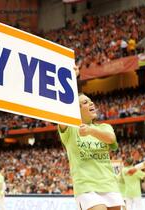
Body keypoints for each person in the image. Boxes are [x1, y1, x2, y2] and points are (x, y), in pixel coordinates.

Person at [58, 66, 124, 210]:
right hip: (87, 187)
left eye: (90, 101)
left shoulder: (104, 127)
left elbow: (111, 139)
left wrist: (90, 130)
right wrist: (72, 79)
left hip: (110, 184)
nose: (91, 103)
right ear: (76, 109)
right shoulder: (70, 129)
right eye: (85, 102)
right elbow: (61, 107)